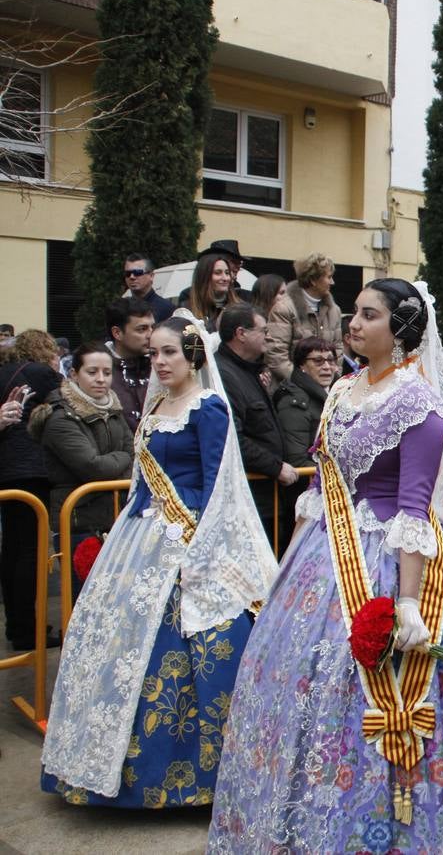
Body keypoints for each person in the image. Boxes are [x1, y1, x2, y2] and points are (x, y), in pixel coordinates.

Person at [208, 280, 443, 853]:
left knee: (388, 698)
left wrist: (409, 604)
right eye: (355, 313)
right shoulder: (342, 390)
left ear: (399, 329)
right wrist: (285, 572)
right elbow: (323, 486)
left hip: (396, 561)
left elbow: (417, 507)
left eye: (369, 315)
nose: (354, 323)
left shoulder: (420, 405)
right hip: (325, 554)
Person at [40, 316, 277, 807]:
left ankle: (198, 780)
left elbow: (219, 482)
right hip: (143, 537)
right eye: (154, 354)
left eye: (170, 352)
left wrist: (205, 546)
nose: (161, 362)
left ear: (192, 356)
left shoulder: (208, 406)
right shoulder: (152, 409)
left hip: (192, 532)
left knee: (196, 641)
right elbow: (142, 486)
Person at [28, 344, 134, 599]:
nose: (101, 379)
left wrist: (120, 460)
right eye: (92, 371)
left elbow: (135, 454)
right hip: (79, 521)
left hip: (116, 518)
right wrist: (121, 458)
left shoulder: (114, 410)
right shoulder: (61, 417)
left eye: (107, 372)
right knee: (83, 600)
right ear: (74, 374)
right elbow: (92, 467)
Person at [215, 304, 298, 548]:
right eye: (263, 330)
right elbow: (232, 438)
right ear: (241, 334)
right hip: (252, 499)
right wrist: (275, 467)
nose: (269, 336)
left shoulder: (250, 370)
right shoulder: (225, 375)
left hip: (268, 497)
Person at [0, 330, 63, 650]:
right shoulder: (42, 374)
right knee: (30, 553)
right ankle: (28, 631)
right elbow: (68, 404)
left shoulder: (5, 372)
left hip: (7, 471)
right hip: (33, 469)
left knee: (11, 551)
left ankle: (17, 625)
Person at [272, 336, 337, 552]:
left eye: (330, 360)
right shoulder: (294, 402)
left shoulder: (330, 395)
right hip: (303, 502)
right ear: (301, 365)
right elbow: (297, 458)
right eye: (318, 361)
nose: (327, 366)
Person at [265, 252, 342, 384]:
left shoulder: (334, 311)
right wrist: (304, 384)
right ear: (313, 280)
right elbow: (277, 356)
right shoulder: (284, 309)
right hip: (293, 392)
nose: (332, 282)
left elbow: (338, 350)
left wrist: (332, 380)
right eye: (328, 277)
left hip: (326, 391)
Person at [105, 297, 155, 433]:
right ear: (117, 333)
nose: (151, 335)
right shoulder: (98, 370)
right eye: (142, 329)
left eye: (152, 327)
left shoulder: (160, 365)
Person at [184, 252, 241, 332]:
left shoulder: (240, 309)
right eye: (218, 273)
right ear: (204, 276)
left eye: (227, 273)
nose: (225, 278)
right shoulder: (186, 312)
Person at [122, 254, 174, 322]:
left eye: (137, 272)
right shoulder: (122, 308)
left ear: (151, 276)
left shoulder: (167, 309)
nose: (132, 277)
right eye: (127, 273)